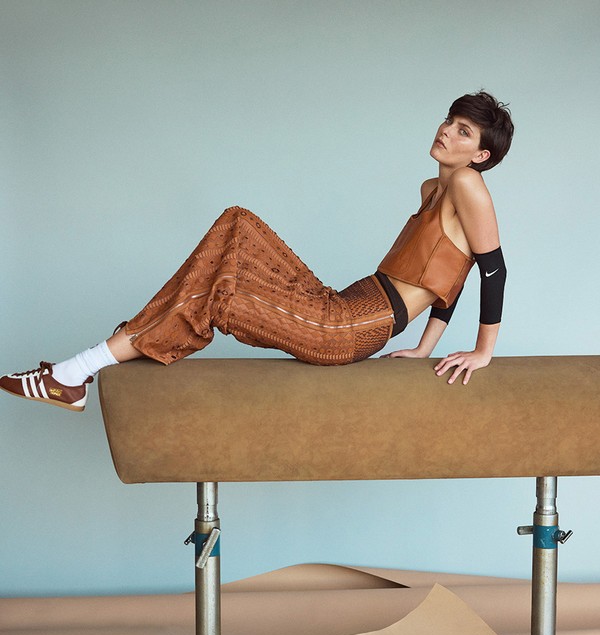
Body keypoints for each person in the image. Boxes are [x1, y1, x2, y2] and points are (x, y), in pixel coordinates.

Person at [0, 91, 513, 413]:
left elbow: (492, 270)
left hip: (352, 327)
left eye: (463, 131)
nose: (446, 131)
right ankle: (110, 351)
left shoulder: (467, 185)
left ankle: (77, 370)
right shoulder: (433, 189)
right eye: (450, 120)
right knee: (237, 224)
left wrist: (482, 351)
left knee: (217, 296)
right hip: (345, 303)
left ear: (481, 154)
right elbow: (452, 276)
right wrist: (424, 347)